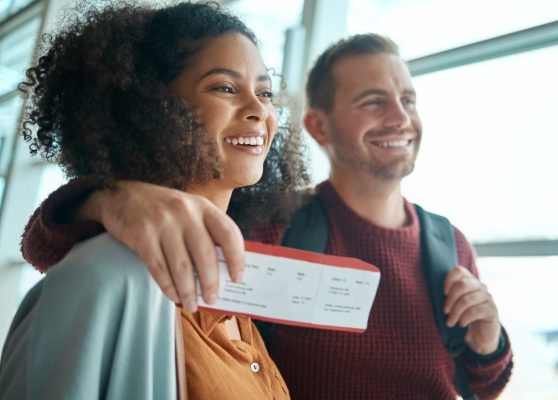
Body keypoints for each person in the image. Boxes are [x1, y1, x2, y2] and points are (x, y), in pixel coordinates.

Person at [17, 34, 513, 399]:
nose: (401, 117)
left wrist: (490, 344)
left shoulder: (451, 246)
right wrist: (107, 197)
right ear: (319, 128)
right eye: (373, 101)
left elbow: (477, 384)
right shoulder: (271, 229)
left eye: (408, 100)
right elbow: (56, 251)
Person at [0, 2, 312, 399]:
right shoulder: (106, 276)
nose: (258, 110)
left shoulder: (230, 282)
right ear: (149, 107)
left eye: (265, 92)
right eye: (224, 88)